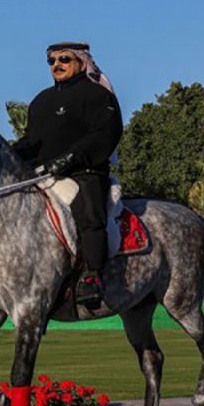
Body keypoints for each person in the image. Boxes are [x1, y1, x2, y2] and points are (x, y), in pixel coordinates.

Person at [13, 42, 123, 308]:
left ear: (81, 61)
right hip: (44, 175)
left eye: (64, 59)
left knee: (89, 214)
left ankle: (93, 276)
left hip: (86, 172)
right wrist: (8, 154)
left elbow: (105, 134)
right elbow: (32, 142)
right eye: (51, 61)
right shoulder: (41, 101)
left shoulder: (98, 96)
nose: (56, 65)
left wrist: (71, 157)